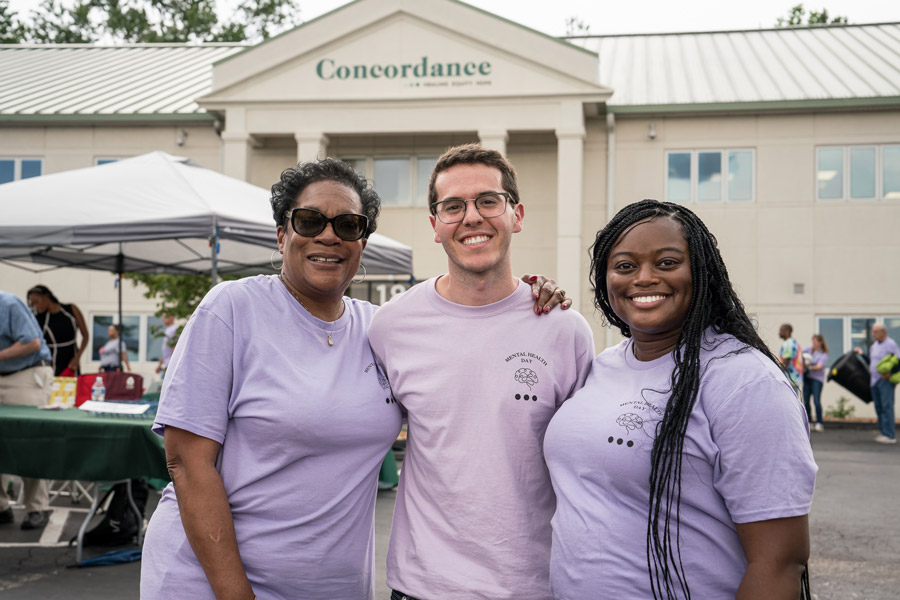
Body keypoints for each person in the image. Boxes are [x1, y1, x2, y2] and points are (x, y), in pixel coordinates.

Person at [140, 157, 567, 600]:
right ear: (283, 234)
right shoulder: (232, 309)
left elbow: (466, 350)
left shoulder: (384, 329)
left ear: (362, 243)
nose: (328, 235)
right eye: (309, 221)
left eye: (348, 224)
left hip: (333, 587)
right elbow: (187, 464)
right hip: (214, 583)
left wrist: (527, 300)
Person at [543, 200, 817, 599]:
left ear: (702, 271)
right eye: (624, 266)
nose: (644, 278)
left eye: (667, 262)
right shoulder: (601, 368)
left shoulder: (745, 381)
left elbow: (780, 563)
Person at [368, 144, 595, 600]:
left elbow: (587, 465)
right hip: (421, 587)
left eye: (488, 201)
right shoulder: (391, 326)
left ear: (517, 214)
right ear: (435, 226)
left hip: (534, 586)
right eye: (453, 206)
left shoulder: (564, 330)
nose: (472, 217)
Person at [0, 290, 54, 531]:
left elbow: (32, 343)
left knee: (30, 440)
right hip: (5, 372)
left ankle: (37, 507)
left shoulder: (8, 303)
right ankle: (2, 507)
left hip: (27, 373)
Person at [26, 285, 89, 377]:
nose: (36, 306)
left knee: (71, 389)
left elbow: (86, 336)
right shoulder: (40, 318)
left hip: (71, 361)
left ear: (46, 296)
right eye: (33, 304)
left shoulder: (71, 310)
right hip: (49, 363)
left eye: (36, 302)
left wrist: (77, 357)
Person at [858, 324, 899, 444]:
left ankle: (890, 435)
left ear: (883, 332)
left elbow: (898, 359)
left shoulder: (890, 344)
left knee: (887, 407)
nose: (873, 334)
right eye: (873, 331)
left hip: (885, 381)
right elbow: (871, 361)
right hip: (874, 381)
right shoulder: (874, 346)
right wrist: (861, 354)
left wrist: (890, 373)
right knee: (879, 407)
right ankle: (883, 432)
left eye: (875, 331)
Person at [803, 334, 829, 432]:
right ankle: (809, 421)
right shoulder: (809, 349)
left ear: (820, 342)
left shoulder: (823, 354)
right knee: (806, 400)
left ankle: (819, 422)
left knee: (816, 401)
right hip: (807, 378)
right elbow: (801, 354)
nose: (813, 344)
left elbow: (819, 366)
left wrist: (808, 367)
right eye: (812, 342)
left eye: (815, 342)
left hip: (817, 380)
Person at [779, 322, 803, 392]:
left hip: (789, 378)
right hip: (795, 378)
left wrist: (778, 372)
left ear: (787, 331)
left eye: (781, 330)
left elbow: (786, 360)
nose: (779, 332)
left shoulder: (788, 343)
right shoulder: (793, 342)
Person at [154, 313, 177, 379]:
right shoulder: (168, 330)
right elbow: (166, 352)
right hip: (166, 366)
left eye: (165, 317)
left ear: (172, 317)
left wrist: (172, 366)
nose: (163, 319)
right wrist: (159, 365)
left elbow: (174, 348)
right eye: (162, 317)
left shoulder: (174, 329)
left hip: (170, 367)